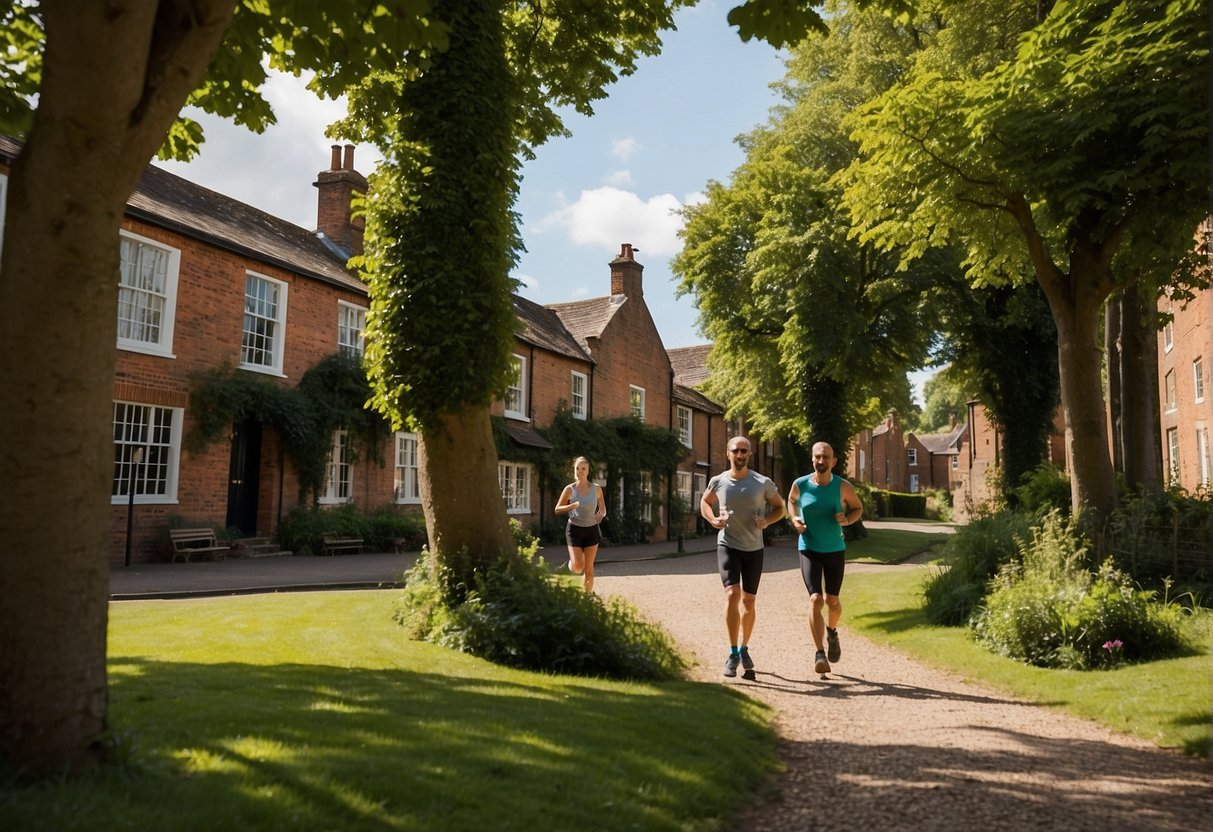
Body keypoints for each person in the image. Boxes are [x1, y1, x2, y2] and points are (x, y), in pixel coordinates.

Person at [700, 436, 784, 679]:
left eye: (744, 451)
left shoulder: (762, 482)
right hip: (727, 544)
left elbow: (781, 508)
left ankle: (745, 647)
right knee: (732, 593)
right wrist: (712, 519)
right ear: (728, 454)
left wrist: (767, 521)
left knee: (748, 601)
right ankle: (733, 651)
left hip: (754, 548)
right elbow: (705, 502)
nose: (740, 455)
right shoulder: (718, 481)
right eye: (736, 450)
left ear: (749, 454)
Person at [787, 441, 863, 675]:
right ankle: (819, 653)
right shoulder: (800, 484)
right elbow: (792, 502)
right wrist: (796, 519)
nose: (821, 461)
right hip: (809, 547)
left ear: (834, 461)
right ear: (812, 459)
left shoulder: (843, 487)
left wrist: (847, 520)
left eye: (825, 457)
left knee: (833, 602)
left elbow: (857, 508)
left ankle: (832, 631)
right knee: (815, 599)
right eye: (817, 457)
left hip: (834, 549)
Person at [554, 456, 607, 592]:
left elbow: (603, 508)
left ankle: (586, 599)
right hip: (574, 530)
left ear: (588, 471)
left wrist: (601, 515)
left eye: (583, 469)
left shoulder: (596, 489)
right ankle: (568, 567)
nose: (580, 471)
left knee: (588, 568)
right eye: (577, 468)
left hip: (591, 531)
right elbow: (557, 509)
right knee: (578, 566)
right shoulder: (570, 489)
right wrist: (571, 506)